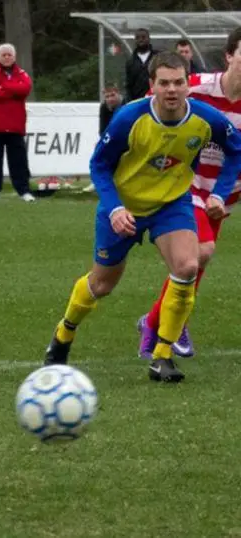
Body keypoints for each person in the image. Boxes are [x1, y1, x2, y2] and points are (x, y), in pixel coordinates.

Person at [43, 51, 241, 383]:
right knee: (102, 284)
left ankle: (162, 356)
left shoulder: (205, 119)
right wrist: (116, 208)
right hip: (124, 207)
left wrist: (220, 193)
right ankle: (64, 333)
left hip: (172, 205)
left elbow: (236, 149)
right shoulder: (129, 118)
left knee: (189, 265)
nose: (172, 90)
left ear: (187, 86)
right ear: (152, 85)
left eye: (179, 82)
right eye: (164, 83)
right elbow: (99, 166)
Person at [138, 28, 241, 360]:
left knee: (195, 264)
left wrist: (224, 196)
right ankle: (169, 321)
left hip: (225, 193)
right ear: (229, 56)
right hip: (187, 185)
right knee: (201, 252)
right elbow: (148, 109)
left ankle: (157, 320)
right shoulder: (194, 87)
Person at [0, 43, 35, 203]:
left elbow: (25, 89)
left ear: (14, 56)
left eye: (9, 54)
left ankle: (23, 190)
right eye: (3, 55)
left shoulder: (22, 74)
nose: (6, 57)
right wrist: (12, 90)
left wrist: (3, 86)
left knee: (18, 159)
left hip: (15, 125)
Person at [84, 84, 124, 194]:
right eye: (107, 96)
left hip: (125, 137)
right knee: (98, 147)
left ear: (118, 94)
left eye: (112, 95)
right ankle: (98, 181)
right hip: (111, 136)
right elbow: (102, 129)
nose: (110, 99)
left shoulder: (125, 105)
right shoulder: (103, 107)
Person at [125, 28, 159, 102]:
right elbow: (129, 85)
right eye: (137, 38)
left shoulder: (157, 57)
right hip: (137, 101)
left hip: (155, 100)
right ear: (135, 40)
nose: (141, 40)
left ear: (149, 39)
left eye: (143, 37)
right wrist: (130, 101)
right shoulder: (130, 62)